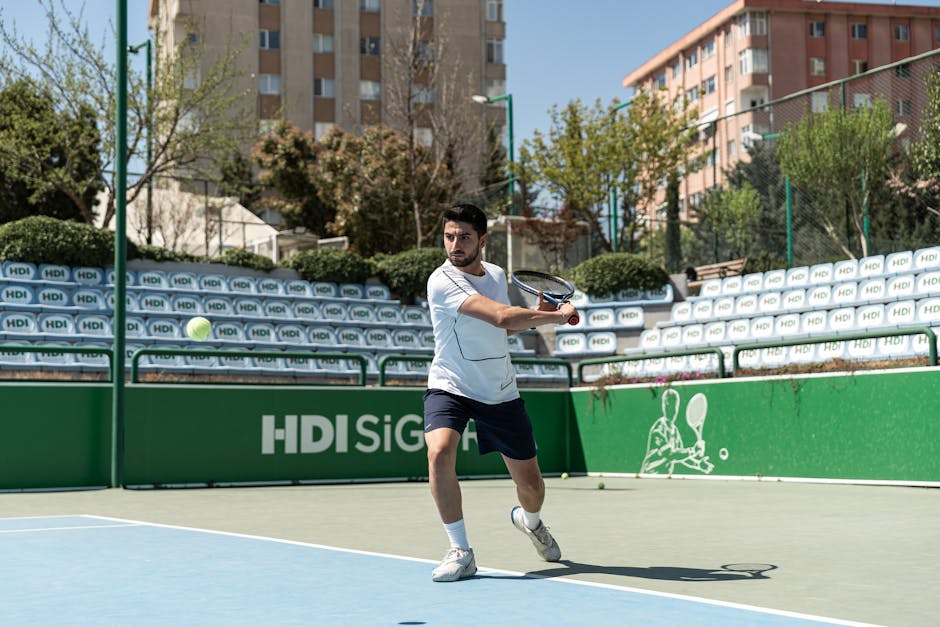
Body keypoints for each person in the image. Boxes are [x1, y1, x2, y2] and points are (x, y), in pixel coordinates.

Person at [423, 203, 579, 582]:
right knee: (439, 451)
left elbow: (505, 327)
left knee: (532, 486)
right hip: (451, 384)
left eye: (464, 237)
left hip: (499, 390)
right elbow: (498, 316)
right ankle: (461, 550)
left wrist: (536, 316)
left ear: (482, 241)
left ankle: (530, 521)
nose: (455, 245)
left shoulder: (494, 275)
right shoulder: (441, 280)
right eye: (449, 236)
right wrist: (557, 316)